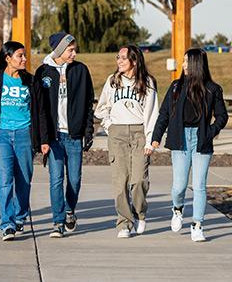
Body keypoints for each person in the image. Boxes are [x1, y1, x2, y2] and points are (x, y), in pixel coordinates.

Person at [151, 48, 228, 242]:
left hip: (202, 140)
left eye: (186, 61)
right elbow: (164, 115)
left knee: (199, 185)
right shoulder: (176, 87)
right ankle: (177, 209)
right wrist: (156, 137)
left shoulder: (212, 89)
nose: (183, 65)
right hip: (180, 139)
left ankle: (197, 225)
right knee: (179, 186)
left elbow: (222, 116)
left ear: (195, 64)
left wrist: (210, 132)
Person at [0, 41, 44, 241]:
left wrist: (43, 140)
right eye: (19, 56)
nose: (24, 59)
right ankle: (7, 224)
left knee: (23, 180)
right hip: (1, 136)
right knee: (5, 180)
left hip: (25, 135)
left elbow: (40, 112)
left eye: (24, 56)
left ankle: (21, 216)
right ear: (7, 58)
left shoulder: (31, 81)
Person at [95, 45, 158, 238]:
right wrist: (109, 125)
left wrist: (150, 140)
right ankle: (124, 223)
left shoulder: (147, 82)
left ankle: (140, 213)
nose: (119, 61)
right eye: (118, 57)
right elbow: (101, 107)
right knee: (120, 181)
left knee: (139, 180)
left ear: (135, 61)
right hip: (117, 134)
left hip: (140, 133)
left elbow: (152, 113)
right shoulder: (112, 81)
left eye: (123, 58)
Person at [36, 32, 95, 238]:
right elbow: (39, 110)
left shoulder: (81, 70)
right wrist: (42, 139)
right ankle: (57, 222)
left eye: (74, 50)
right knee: (56, 179)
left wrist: (88, 131)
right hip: (54, 137)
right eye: (70, 50)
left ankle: (70, 210)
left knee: (75, 179)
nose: (74, 53)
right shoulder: (43, 73)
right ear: (60, 50)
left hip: (74, 135)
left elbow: (88, 103)